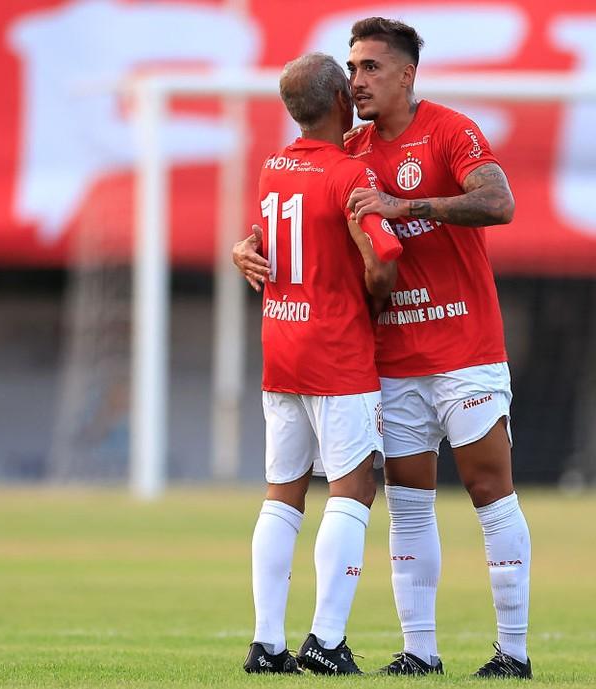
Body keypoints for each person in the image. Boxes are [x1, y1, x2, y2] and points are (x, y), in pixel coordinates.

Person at [235, 17, 532, 680]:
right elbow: (299, 208)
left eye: (370, 66)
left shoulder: (450, 131)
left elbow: (499, 201)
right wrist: (248, 243)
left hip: (465, 349)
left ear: (407, 73)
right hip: (392, 358)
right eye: (352, 67)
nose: (357, 80)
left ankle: (513, 651)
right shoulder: (350, 146)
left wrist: (407, 205)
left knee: (490, 489)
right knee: (408, 501)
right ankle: (420, 649)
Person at [238, 51, 402, 676]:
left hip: (280, 347)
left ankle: (266, 644)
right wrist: (376, 290)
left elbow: (258, 240)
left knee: (282, 494)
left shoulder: (272, 168)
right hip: (336, 351)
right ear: (339, 102)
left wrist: (239, 250)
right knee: (352, 488)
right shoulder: (345, 175)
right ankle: (327, 641)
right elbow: (383, 258)